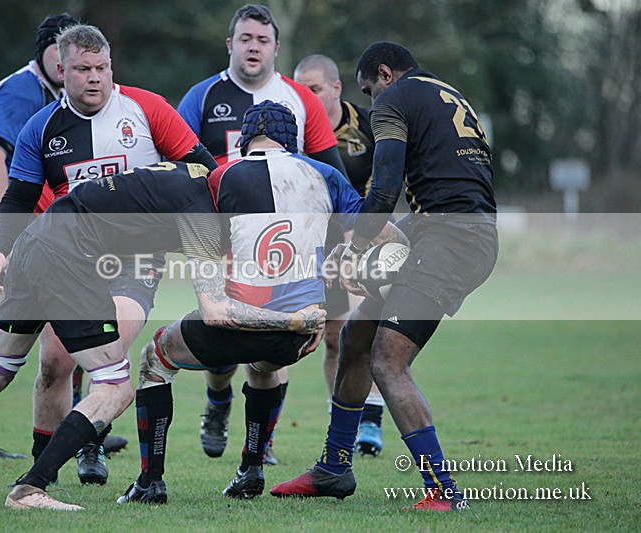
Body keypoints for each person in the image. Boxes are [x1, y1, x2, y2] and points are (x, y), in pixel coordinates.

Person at [0, 160, 326, 511]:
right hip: (67, 255)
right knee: (116, 386)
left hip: (34, 241)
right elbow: (215, 312)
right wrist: (296, 320)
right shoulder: (202, 213)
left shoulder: (192, 172)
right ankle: (31, 489)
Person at [270, 41, 498, 512]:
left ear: (385, 74)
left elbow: (386, 187)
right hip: (455, 231)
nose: (372, 104)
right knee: (355, 338)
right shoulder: (444, 93)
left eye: (369, 91)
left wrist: (355, 250)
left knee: (388, 361)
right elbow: (454, 192)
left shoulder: (395, 99)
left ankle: (443, 491)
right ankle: (334, 468)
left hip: (449, 242)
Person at [0, 23, 217, 486]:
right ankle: (43, 470)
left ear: (111, 67)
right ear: (62, 70)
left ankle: (88, 443)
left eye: (102, 68)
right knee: (54, 363)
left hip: (136, 259)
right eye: (83, 69)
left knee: (110, 345)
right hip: (68, 259)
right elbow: (17, 198)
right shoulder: (42, 127)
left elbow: (203, 171)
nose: (94, 77)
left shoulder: (147, 108)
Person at [118, 101, 367, 504]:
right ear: (294, 141)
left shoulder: (220, 176)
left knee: (155, 357)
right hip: (300, 334)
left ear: (246, 141)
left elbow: (206, 249)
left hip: (235, 325)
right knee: (264, 367)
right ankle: (251, 470)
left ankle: (150, 482)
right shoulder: (326, 175)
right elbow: (373, 230)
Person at [177, 3, 346, 464]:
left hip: (286, 243)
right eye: (246, 38)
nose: (254, 47)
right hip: (228, 238)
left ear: (276, 48)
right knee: (222, 346)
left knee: (271, 349)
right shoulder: (202, 96)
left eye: (263, 40)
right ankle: (217, 403)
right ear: (230, 44)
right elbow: (181, 167)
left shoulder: (300, 99)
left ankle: (262, 440)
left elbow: (329, 174)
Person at [0, 13, 76, 460]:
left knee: (56, 328)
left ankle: (76, 430)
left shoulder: (58, 95)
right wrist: (12, 234)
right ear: (44, 50)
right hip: (0, 226)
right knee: (47, 326)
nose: (68, 64)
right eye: (58, 53)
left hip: (29, 230)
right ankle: (73, 433)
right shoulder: (19, 91)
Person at [293, 54, 386, 457]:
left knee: (369, 332)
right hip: (318, 245)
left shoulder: (370, 124)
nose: (304, 97)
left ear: (335, 89)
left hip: (367, 239)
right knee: (333, 339)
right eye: (299, 89)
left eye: (312, 88)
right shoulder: (291, 127)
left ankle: (372, 423)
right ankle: (342, 424)